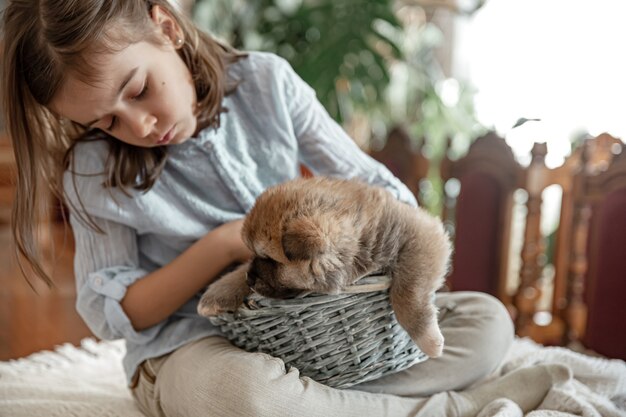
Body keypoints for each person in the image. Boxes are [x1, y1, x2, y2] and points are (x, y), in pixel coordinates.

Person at [3, 1, 566, 416]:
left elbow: (379, 188)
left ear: (166, 27)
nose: (139, 126)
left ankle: (323, 406)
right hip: (191, 347)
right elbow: (118, 313)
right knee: (242, 394)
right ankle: (454, 408)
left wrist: (344, 242)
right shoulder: (92, 171)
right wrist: (226, 243)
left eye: (139, 88)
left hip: (318, 337)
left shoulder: (265, 82)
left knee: (490, 322)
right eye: (104, 120)